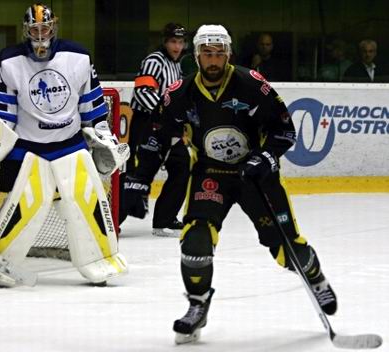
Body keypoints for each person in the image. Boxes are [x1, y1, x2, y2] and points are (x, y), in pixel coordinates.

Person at [131, 24, 338, 343]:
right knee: (196, 241)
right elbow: (158, 137)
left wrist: (265, 158)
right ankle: (198, 305)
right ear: (196, 55)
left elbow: (285, 130)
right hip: (211, 175)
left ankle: (315, 277)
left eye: (219, 54)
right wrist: (138, 179)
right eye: (206, 54)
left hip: (256, 177)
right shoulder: (179, 93)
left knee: (286, 248)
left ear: (228, 54)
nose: (213, 61)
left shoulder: (253, 85)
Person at [0, 3, 128, 287]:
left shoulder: (78, 55)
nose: (40, 35)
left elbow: (90, 101)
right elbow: (1, 109)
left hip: (70, 144)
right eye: (34, 29)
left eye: (45, 29)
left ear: (54, 28)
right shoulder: (10, 60)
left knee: (87, 201)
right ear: (26, 31)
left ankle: (100, 260)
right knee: (24, 207)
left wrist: (102, 133)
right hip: (29, 148)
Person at [121, 22, 190, 237]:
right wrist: (166, 115)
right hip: (148, 125)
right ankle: (110, 221)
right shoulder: (154, 61)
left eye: (180, 42)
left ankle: (165, 218)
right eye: (173, 42)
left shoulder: (176, 65)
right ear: (165, 41)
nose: (177, 47)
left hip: (168, 127)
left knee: (181, 167)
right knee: (140, 176)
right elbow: (143, 91)